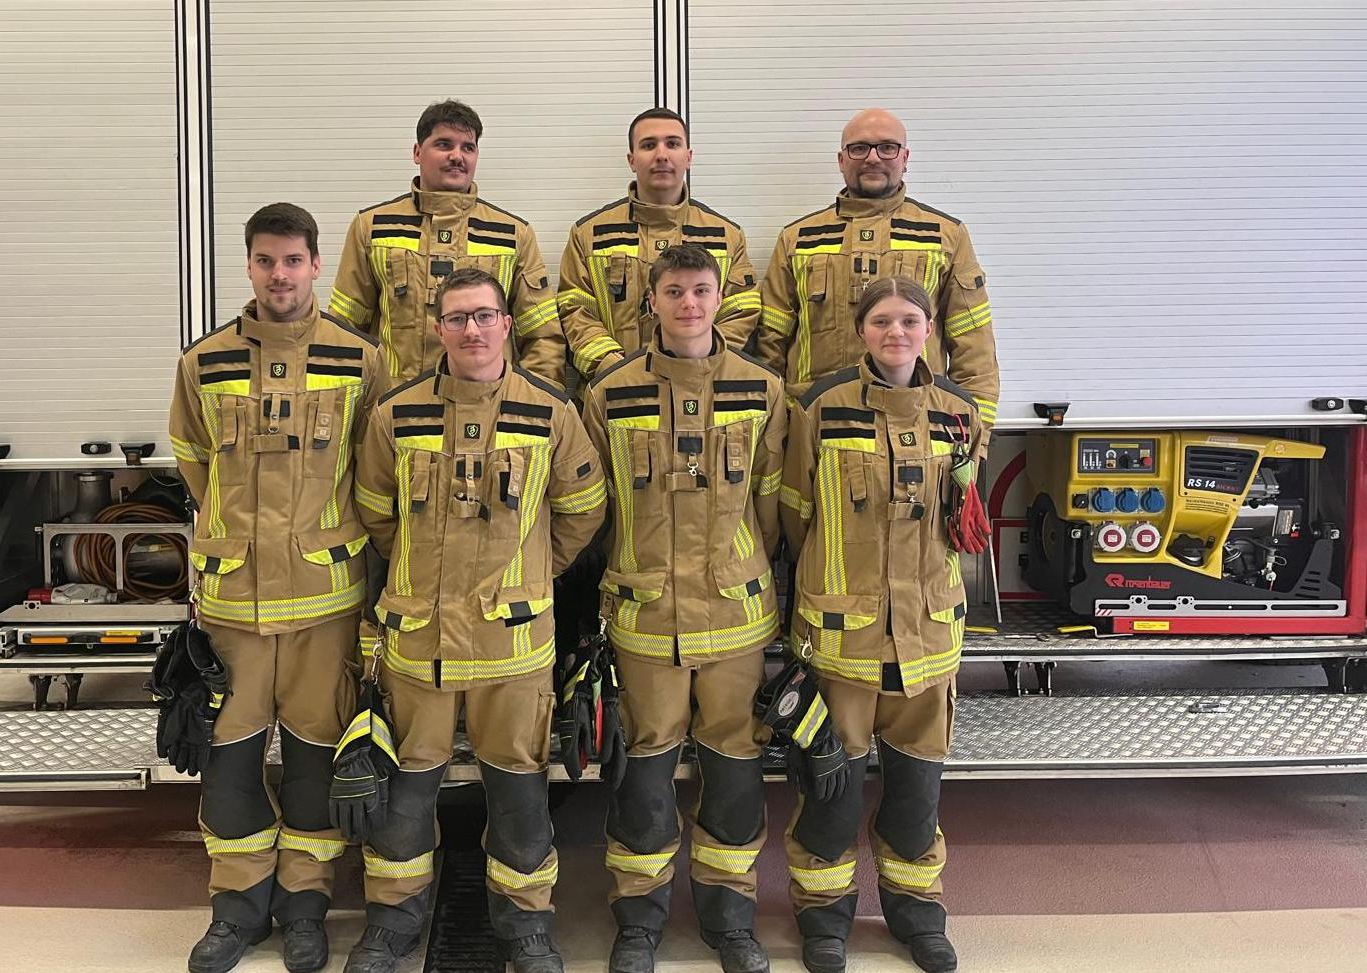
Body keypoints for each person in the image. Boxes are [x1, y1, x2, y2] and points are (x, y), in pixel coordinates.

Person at [346, 267, 607, 973]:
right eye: (458, 317)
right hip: (418, 642)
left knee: (520, 793)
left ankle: (526, 927)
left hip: (513, 646)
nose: (472, 329)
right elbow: (375, 512)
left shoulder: (551, 412)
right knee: (406, 794)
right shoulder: (395, 414)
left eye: (484, 315)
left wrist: (532, 571)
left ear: (506, 324)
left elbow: (583, 509)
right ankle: (392, 923)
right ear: (438, 328)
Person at [169, 203, 381, 973]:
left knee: (314, 761)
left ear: (317, 264)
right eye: (266, 260)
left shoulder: (360, 359)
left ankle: (304, 909)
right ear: (249, 266)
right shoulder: (205, 361)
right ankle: (236, 910)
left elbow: (374, 470)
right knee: (229, 763)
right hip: (234, 605)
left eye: (293, 260)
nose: (279, 274)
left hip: (326, 602)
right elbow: (195, 459)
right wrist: (236, 538)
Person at [581, 244, 786, 973]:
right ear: (652, 301)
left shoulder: (763, 390)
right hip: (643, 616)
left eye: (701, 289)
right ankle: (638, 920)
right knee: (644, 770)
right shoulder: (610, 394)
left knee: (733, 769)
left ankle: (731, 919)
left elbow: (772, 506)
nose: (689, 303)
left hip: (734, 617)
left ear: (720, 297)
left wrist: (745, 572)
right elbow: (595, 509)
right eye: (674, 291)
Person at [778, 276, 989, 973]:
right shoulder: (820, 406)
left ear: (929, 329)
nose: (895, 332)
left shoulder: (959, 412)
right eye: (881, 321)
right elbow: (796, 513)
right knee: (830, 792)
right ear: (861, 330)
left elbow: (962, 516)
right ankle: (823, 917)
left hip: (928, 638)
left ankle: (917, 913)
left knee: (915, 794)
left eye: (908, 320)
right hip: (844, 638)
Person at [758, 108, 998, 427]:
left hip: (917, 423)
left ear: (905, 157)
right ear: (841, 160)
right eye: (859, 148)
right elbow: (769, 343)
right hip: (815, 422)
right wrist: (774, 428)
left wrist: (976, 434)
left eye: (887, 147)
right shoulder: (798, 239)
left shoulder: (945, 236)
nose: (872, 158)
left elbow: (974, 345)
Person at [330, 100, 566, 386]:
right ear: (417, 152)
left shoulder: (513, 234)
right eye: (444, 144)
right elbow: (344, 332)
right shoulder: (373, 228)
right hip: (394, 405)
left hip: (488, 402)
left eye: (468, 147)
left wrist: (532, 401)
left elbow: (542, 337)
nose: (457, 156)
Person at [558, 108, 760, 380]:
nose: (662, 155)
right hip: (616, 392)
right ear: (632, 160)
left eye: (673, 144)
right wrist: (616, 370)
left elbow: (741, 312)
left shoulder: (726, 236)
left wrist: (700, 362)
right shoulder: (589, 235)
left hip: (705, 391)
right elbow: (574, 312)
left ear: (688, 157)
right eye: (649, 145)